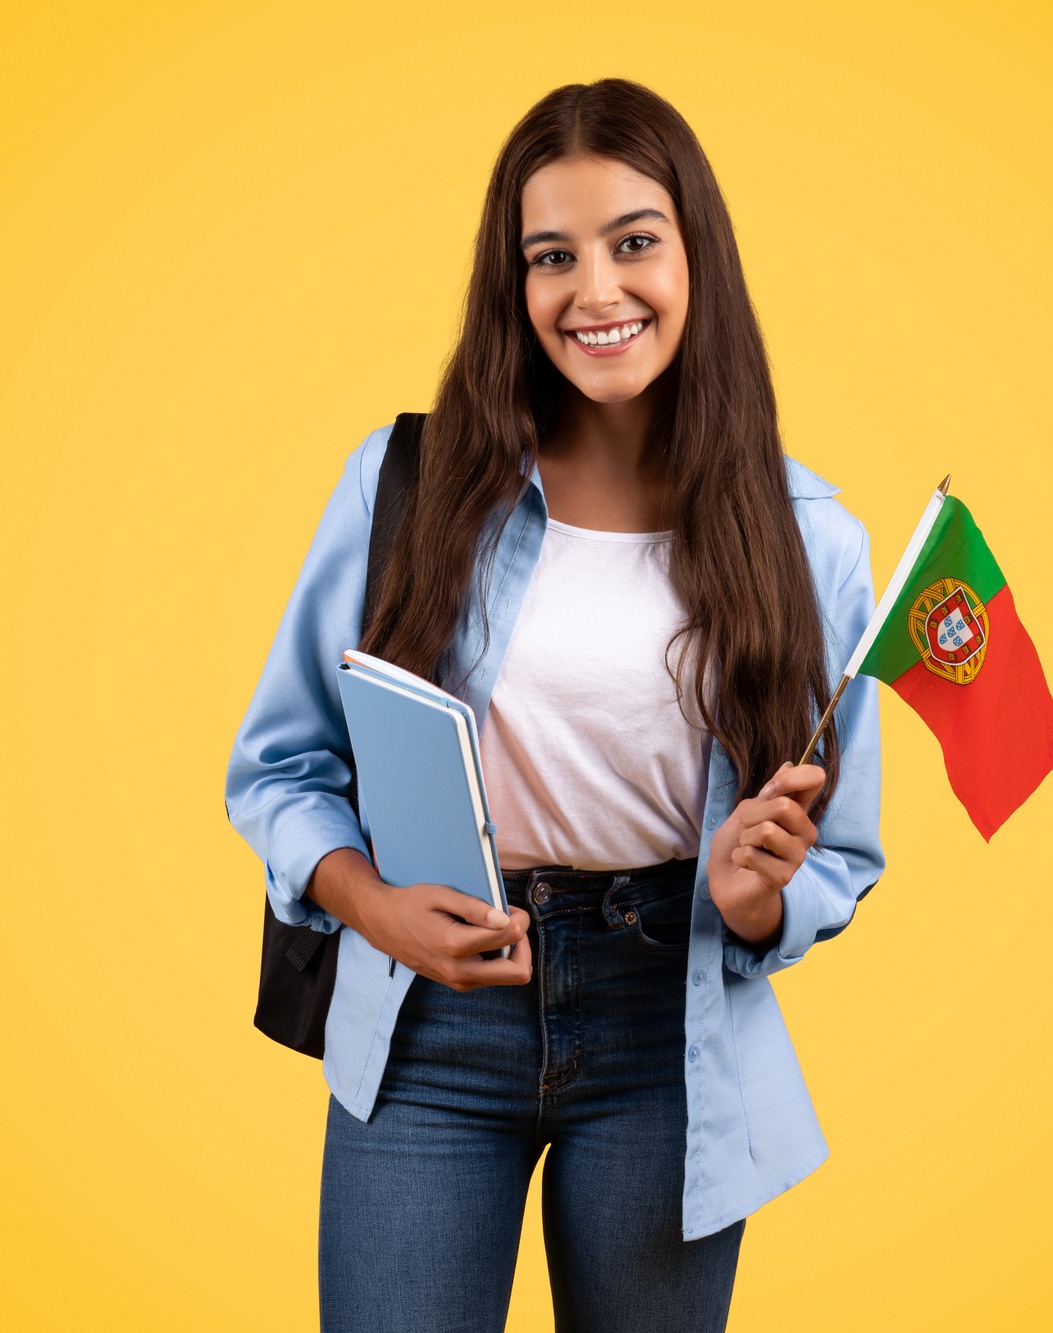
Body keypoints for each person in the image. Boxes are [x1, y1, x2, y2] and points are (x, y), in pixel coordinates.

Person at [225, 78, 883, 1333]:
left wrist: (757, 901)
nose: (595, 291)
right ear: (511, 285)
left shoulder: (809, 541)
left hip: (665, 1029)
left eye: (634, 241)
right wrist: (374, 910)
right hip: (430, 1017)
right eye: (551, 256)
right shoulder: (407, 484)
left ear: (697, 255)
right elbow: (279, 768)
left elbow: (837, 853)